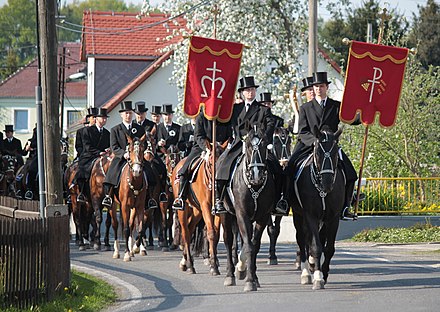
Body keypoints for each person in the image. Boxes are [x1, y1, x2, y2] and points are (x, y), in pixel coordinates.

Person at [280, 72, 360, 220]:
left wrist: (361, 116)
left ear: (326, 88)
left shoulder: (336, 106)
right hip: (308, 144)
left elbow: (351, 119)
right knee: (289, 167)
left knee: (351, 173)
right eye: (316, 86)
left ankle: (347, 205)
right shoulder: (305, 107)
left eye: (321, 86)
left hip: (330, 146)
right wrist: (315, 142)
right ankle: (285, 200)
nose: (318, 89)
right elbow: (302, 131)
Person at [214, 76, 275, 214]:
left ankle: (279, 199)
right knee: (222, 166)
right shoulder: (235, 109)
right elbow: (225, 123)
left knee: (276, 167)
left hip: (258, 146)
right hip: (239, 144)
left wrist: (263, 138)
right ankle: (219, 199)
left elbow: (270, 124)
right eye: (247, 90)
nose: (250, 92)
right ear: (242, 93)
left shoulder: (263, 110)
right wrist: (215, 117)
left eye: (252, 89)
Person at [172, 110, 232, 210]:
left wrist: (222, 146)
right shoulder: (201, 117)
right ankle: (181, 197)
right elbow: (198, 136)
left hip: (221, 149)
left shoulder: (224, 117)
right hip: (201, 148)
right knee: (184, 169)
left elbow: (229, 135)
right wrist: (207, 147)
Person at [102, 101, 157, 209]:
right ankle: (108, 196)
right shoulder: (115, 129)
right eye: (126, 113)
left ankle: (150, 198)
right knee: (112, 172)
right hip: (122, 158)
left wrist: (143, 152)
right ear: (121, 115)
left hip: (137, 158)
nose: (128, 115)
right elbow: (114, 147)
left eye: (130, 113)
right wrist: (124, 154)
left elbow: (144, 144)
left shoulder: (139, 128)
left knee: (150, 173)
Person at [76, 108, 111, 203]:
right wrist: (98, 152)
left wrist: (108, 150)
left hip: (103, 157)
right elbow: (87, 146)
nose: (104, 120)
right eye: (102, 118)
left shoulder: (107, 133)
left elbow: (108, 145)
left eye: (105, 118)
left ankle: (109, 195)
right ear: (96, 119)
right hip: (89, 156)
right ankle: (82, 192)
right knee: (82, 170)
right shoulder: (87, 131)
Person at [23, 126, 37, 200]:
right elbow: (23, 152)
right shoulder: (30, 141)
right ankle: (29, 189)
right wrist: (28, 148)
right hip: (34, 157)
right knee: (31, 169)